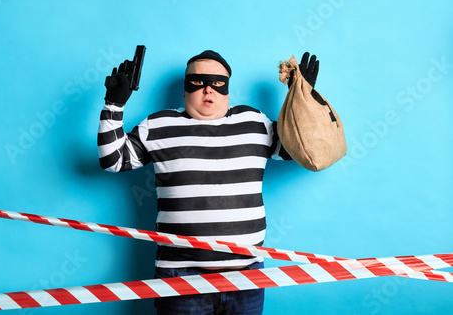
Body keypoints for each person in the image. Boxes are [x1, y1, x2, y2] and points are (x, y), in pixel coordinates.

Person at [97, 50, 319, 314]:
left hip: (246, 276)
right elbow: (113, 160)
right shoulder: (157, 125)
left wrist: (303, 98)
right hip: (181, 278)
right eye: (198, 83)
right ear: (184, 90)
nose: (207, 91)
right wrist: (114, 104)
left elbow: (302, 149)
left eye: (217, 84)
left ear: (227, 91)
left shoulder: (255, 123)